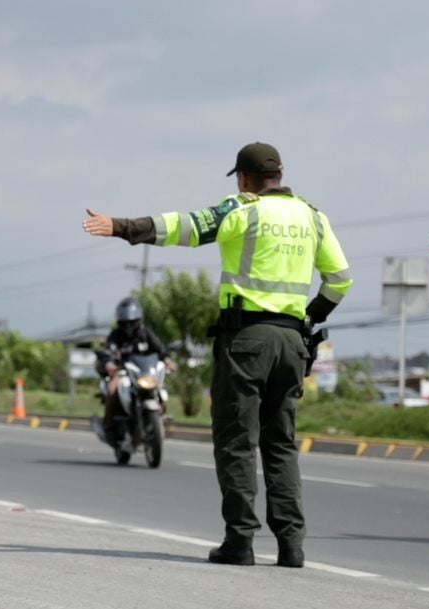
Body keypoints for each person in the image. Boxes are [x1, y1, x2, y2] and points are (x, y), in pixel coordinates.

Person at [82, 142, 352, 568]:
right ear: (279, 175)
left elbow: (185, 227)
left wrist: (120, 225)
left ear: (244, 178)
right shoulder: (313, 217)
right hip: (292, 343)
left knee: (237, 441)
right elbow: (340, 280)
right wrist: (306, 319)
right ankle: (291, 545)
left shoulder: (242, 211)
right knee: (280, 443)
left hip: (246, 341)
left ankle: (240, 542)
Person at [95, 297, 173, 448]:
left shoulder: (145, 332)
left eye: (132, 321)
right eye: (125, 322)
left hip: (144, 372)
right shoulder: (116, 335)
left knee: (161, 388)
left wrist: (168, 360)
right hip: (123, 371)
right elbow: (108, 351)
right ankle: (108, 425)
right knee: (112, 390)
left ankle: (160, 418)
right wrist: (110, 363)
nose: (128, 325)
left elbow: (160, 348)